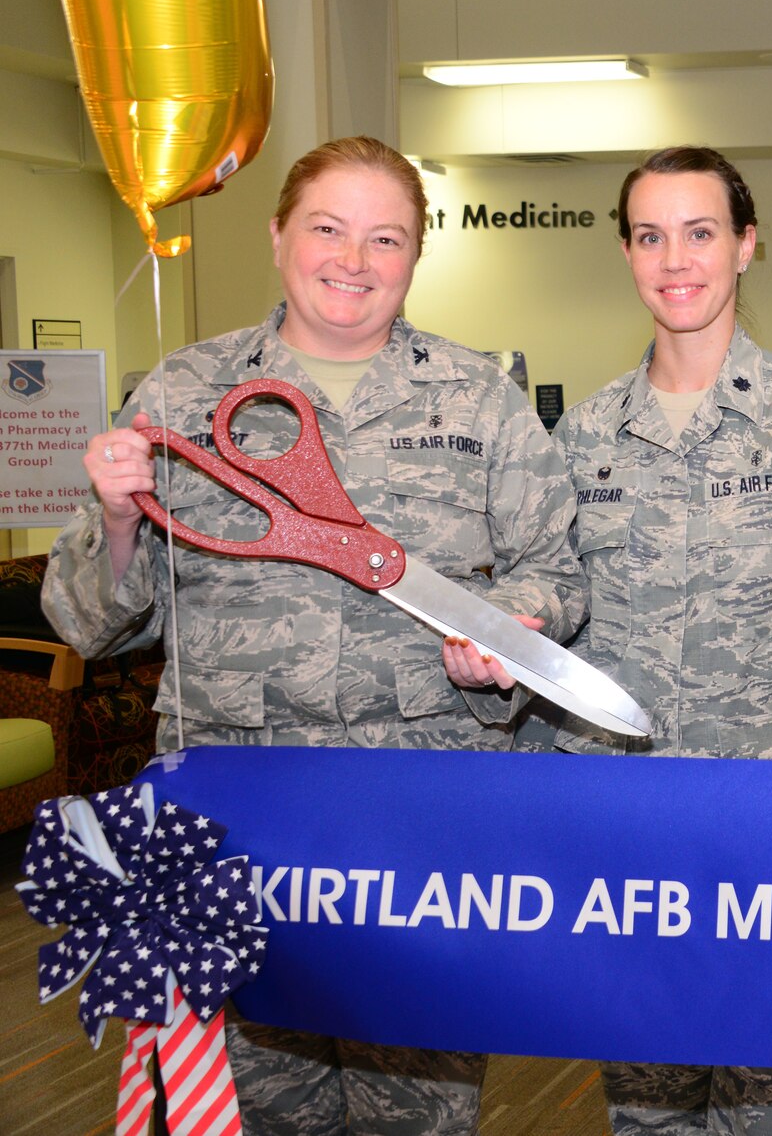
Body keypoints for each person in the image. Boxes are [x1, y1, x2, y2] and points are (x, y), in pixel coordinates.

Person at [42, 135, 586, 1136]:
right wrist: (119, 520)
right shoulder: (184, 395)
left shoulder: (479, 399)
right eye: (328, 229)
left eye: (385, 238)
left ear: (415, 257)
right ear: (278, 234)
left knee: (417, 1110)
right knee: (257, 1109)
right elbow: (87, 622)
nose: (354, 259)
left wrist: (512, 633)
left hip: (417, 825)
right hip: (237, 827)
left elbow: (555, 573)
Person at [485, 145, 772, 1136]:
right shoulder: (580, 441)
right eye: (649, 235)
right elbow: (555, 639)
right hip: (630, 842)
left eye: (700, 231)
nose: (675, 258)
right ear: (628, 254)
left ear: (746, 246)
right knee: (646, 1108)